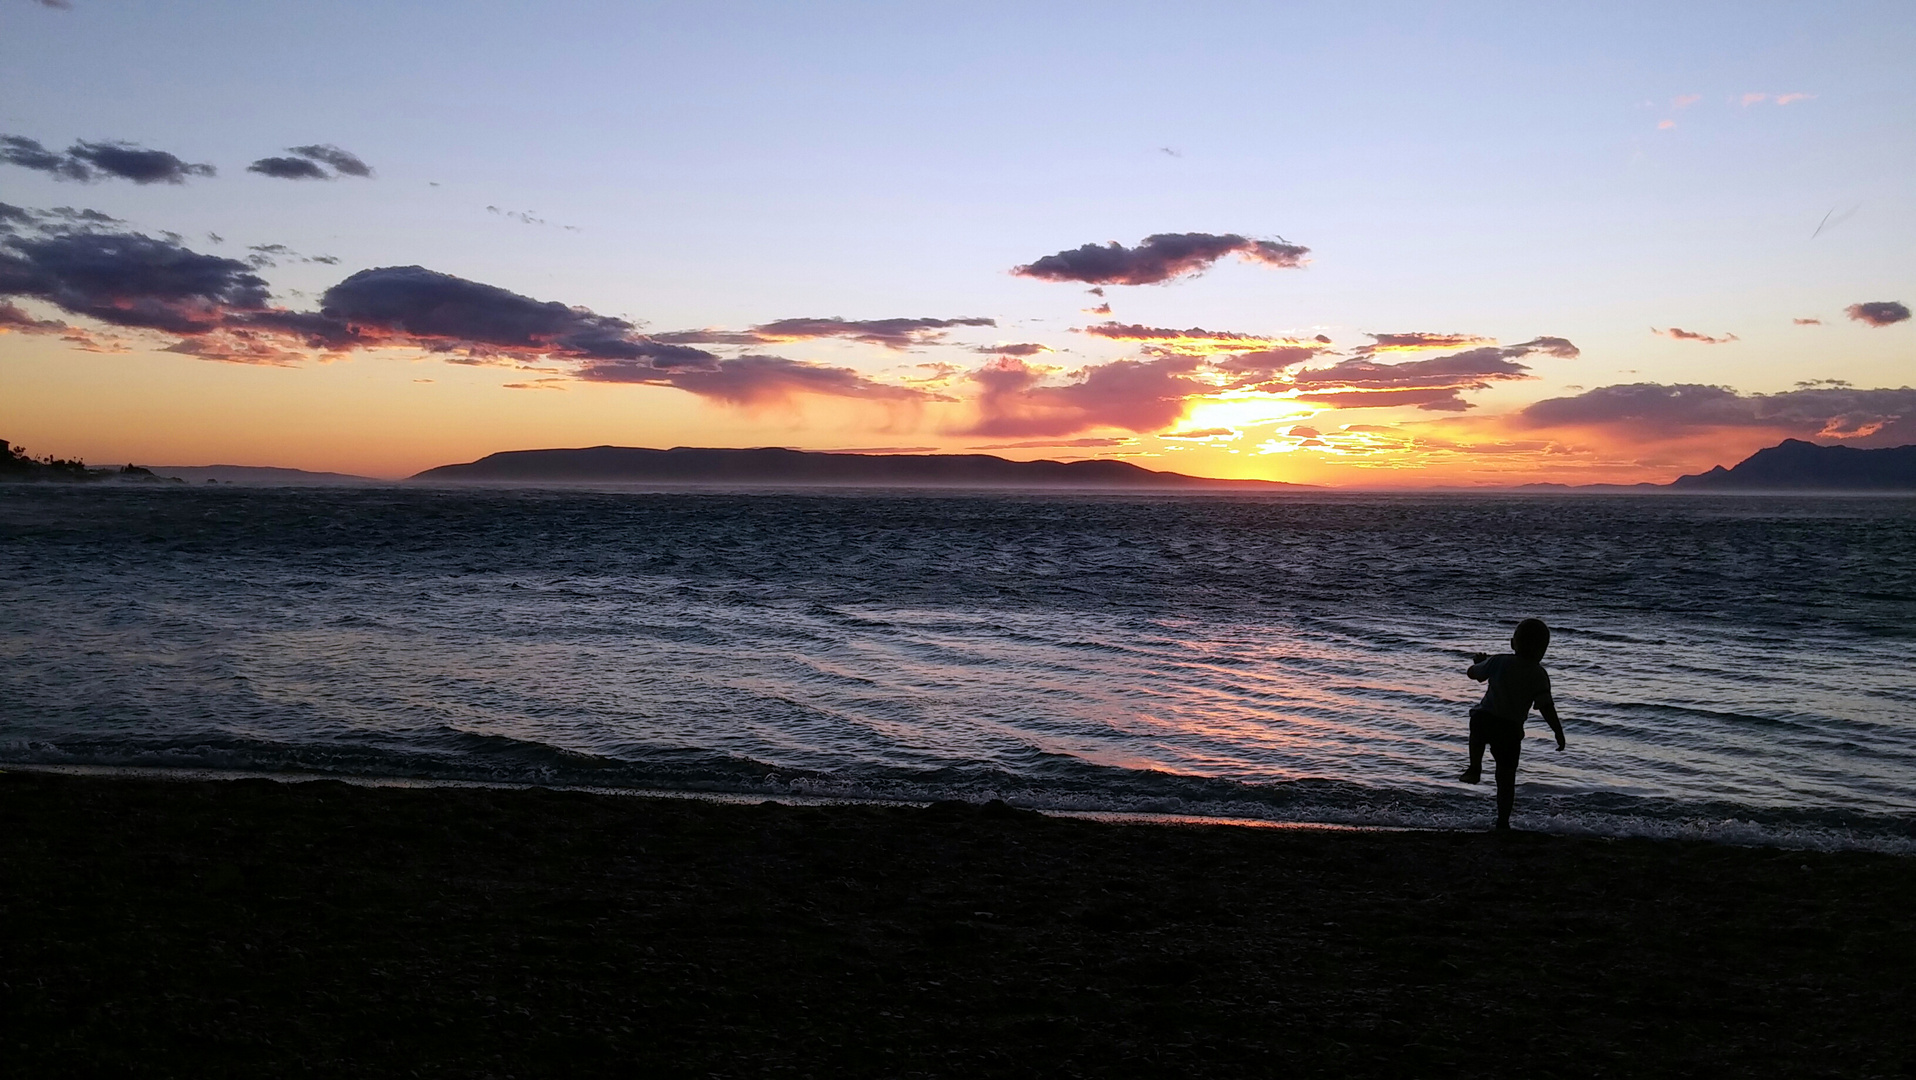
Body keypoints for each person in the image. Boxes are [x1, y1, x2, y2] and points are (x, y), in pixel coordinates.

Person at [1459, 617, 1565, 830]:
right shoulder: (1538, 674)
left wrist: (1478, 663)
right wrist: (1558, 731)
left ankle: (1475, 766)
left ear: (1512, 643)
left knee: (1477, 726)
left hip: (1486, 719)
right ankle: (1503, 821)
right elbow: (1546, 706)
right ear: (1543, 650)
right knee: (1506, 779)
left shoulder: (1499, 661)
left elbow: (1475, 675)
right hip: (1510, 730)